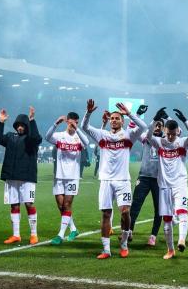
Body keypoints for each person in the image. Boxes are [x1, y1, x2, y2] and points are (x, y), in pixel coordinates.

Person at [81, 100, 147, 259]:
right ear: (109, 121)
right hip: (106, 181)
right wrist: (88, 113)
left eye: (117, 118)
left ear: (122, 121)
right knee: (105, 215)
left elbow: (144, 127)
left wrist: (130, 114)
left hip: (123, 181)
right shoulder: (102, 135)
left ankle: (124, 244)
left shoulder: (129, 135)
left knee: (125, 213)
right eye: (112, 118)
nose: (114, 120)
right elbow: (84, 127)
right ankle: (106, 250)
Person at [148, 111, 188, 259]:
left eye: (173, 134)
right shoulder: (159, 142)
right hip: (164, 186)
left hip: (180, 183)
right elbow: (148, 136)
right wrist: (154, 119)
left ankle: (182, 240)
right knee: (167, 220)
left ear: (177, 132)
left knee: (182, 211)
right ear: (164, 131)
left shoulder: (181, 143)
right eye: (168, 134)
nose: (170, 137)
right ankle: (170, 250)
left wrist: (185, 120)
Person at [0, 107, 42, 245]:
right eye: (18, 125)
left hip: (27, 177)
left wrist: (32, 120)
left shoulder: (31, 139)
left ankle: (33, 234)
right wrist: (1, 122)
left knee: (29, 204)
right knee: (14, 205)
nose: (20, 127)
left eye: (23, 125)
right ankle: (16, 235)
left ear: (27, 126)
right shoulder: (10, 136)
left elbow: (36, 137)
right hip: (11, 176)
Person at [45, 112, 91, 245]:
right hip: (59, 176)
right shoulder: (60, 136)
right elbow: (47, 136)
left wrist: (77, 129)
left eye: (76, 122)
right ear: (67, 122)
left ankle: (60, 235)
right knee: (61, 205)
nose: (73, 124)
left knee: (67, 205)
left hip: (72, 177)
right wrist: (56, 123)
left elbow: (86, 143)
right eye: (71, 122)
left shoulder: (79, 138)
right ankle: (73, 229)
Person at [129, 106, 167, 246]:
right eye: (156, 124)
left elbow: (177, 130)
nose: (157, 127)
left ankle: (153, 236)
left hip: (159, 180)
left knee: (159, 209)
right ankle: (129, 230)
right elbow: (131, 130)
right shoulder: (146, 138)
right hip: (144, 177)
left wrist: (167, 119)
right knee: (135, 205)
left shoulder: (166, 141)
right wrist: (138, 114)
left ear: (164, 129)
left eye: (160, 125)